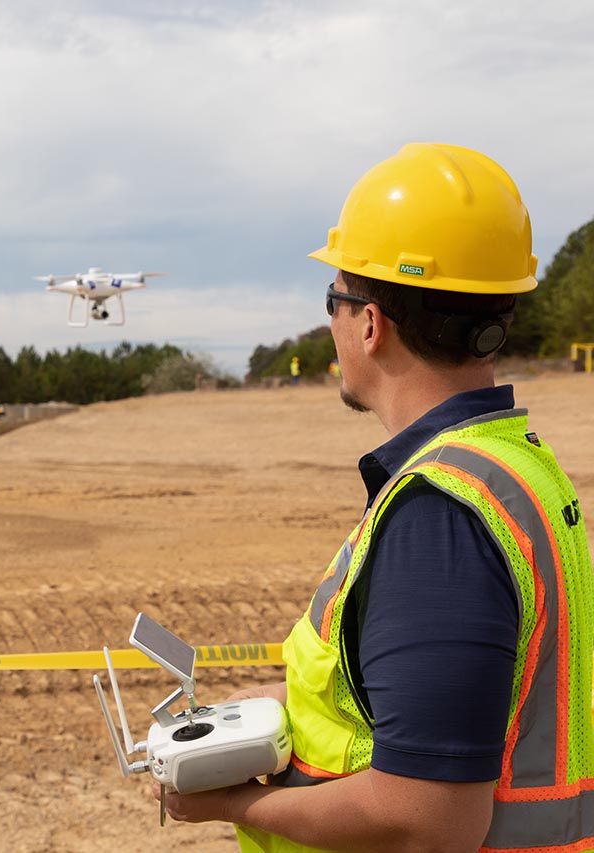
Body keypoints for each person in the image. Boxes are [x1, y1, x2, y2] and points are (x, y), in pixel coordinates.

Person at [160, 143, 593, 851]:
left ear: (370, 324)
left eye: (332, 299)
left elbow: (426, 820)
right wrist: (291, 706)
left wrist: (238, 803)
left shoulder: (440, 517)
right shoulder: (514, 467)